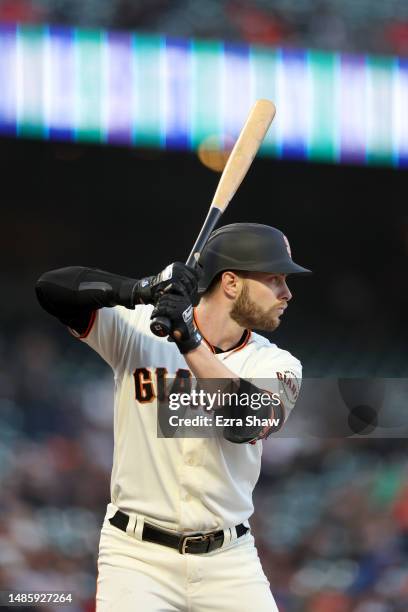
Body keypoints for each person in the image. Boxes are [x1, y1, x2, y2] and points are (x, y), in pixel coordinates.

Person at [35, 222, 311, 612]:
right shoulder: (141, 330)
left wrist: (189, 339)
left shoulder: (276, 362)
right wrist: (140, 289)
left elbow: (245, 421)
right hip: (136, 557)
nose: (287, 293)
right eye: (275, 279)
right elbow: (51, 289)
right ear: (231, 283)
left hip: (228, 561)